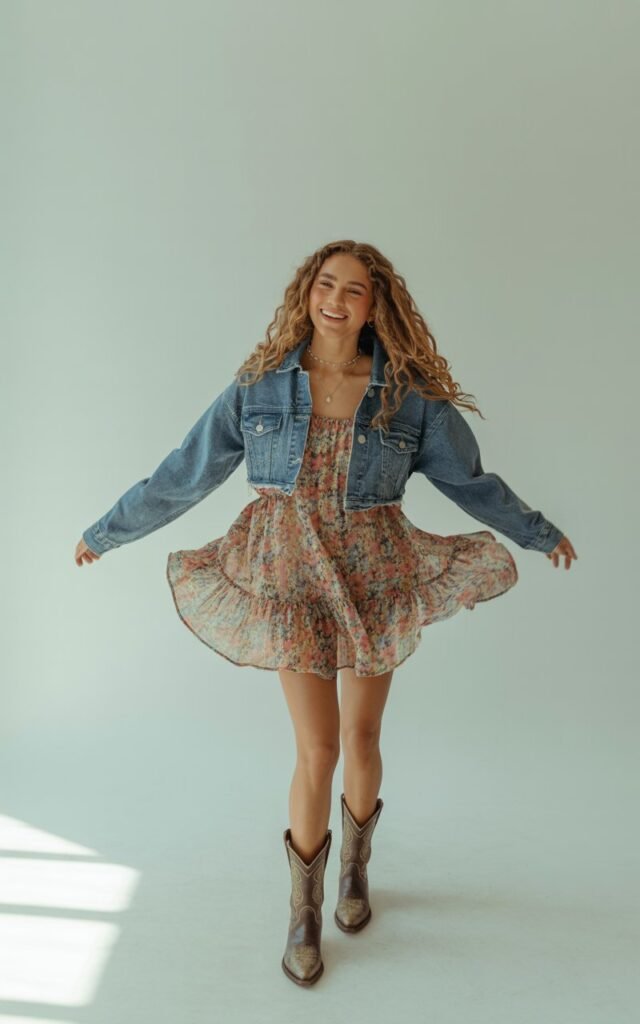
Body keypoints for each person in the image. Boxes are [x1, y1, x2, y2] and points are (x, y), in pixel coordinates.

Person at [75, 239, 577, 988]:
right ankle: (303, 913)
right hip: (288, 573)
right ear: (307, 291)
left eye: (354, 290)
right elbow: (185, 473)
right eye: (325, 283)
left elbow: (472, 483)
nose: (335, 300)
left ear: (376, 306)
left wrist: (538, 532)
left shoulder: (406, 398)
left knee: (362, 735)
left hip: (372, 571)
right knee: (317, 749)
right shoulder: (259, 388)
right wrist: (106, 532)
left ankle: (355, 871)